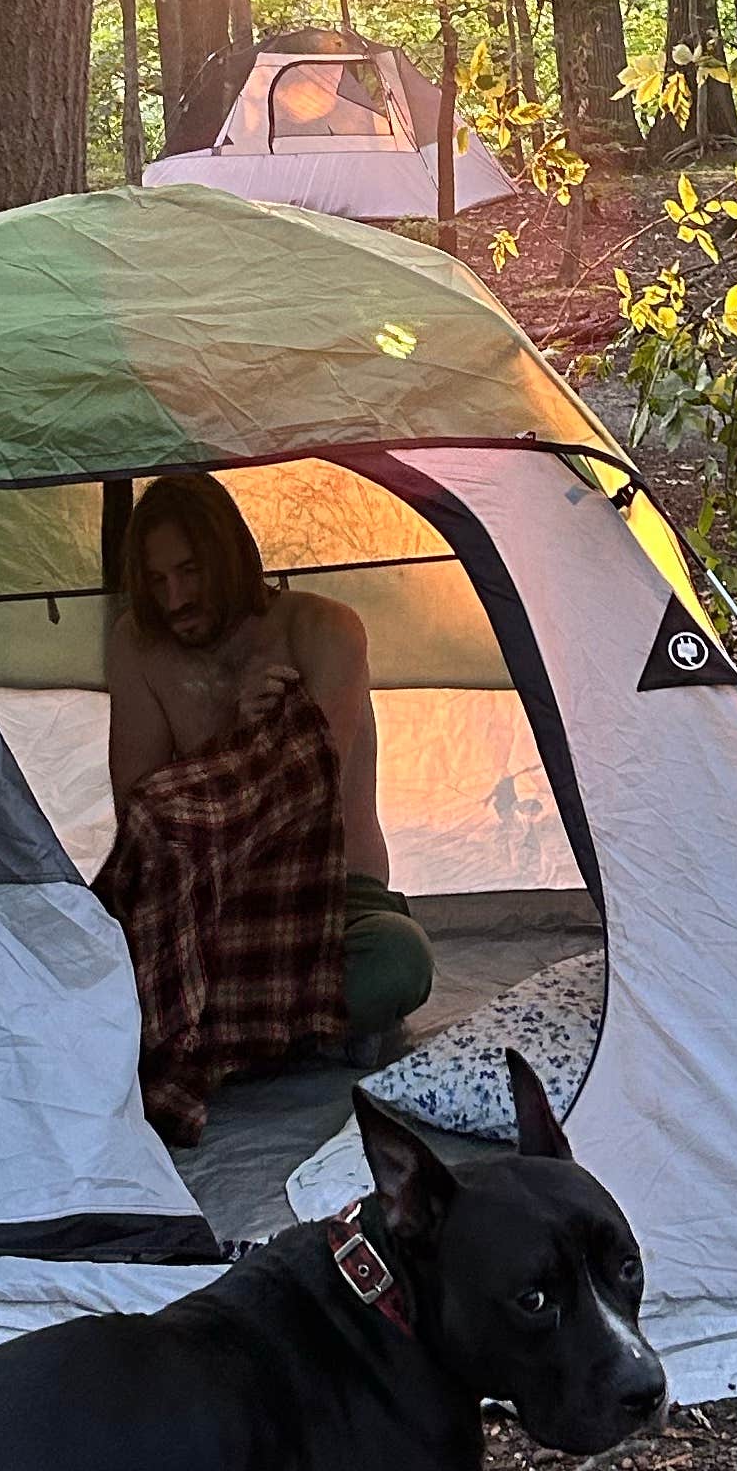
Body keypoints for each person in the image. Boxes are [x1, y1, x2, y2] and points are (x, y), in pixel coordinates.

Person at [95, 473, 435, 1141]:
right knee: (79, 979)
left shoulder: (322, 630)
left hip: (333, 902)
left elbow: (304, 795)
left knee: (397, 959)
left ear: (229, 556)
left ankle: (207, 1040)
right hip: (201, 917)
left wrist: (259, 739)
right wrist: (233, 730)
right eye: (157, 580)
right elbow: (143, 812)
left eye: (190, 572)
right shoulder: (139, 646)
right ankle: (295, 1032)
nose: (175, 599)